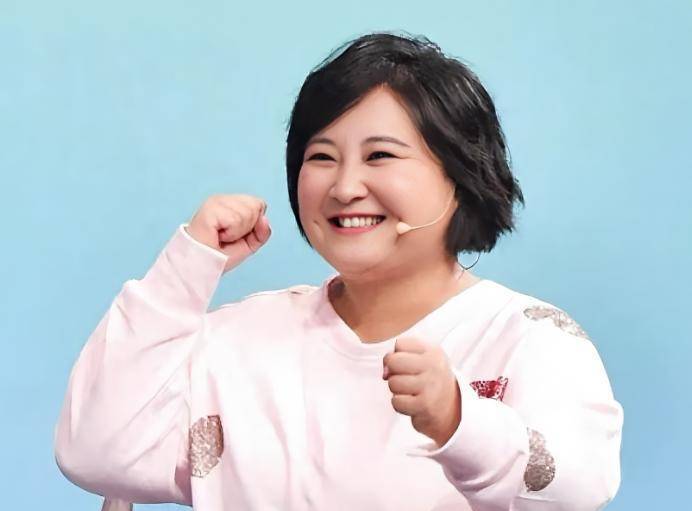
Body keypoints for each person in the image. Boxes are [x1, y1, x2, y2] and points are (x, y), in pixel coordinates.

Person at [54, 31, 623, 511]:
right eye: (322, 157)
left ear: (461, 175)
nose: (346, 187)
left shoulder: (529, 338)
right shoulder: (237, 340)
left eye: (380, 156)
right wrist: (183, 272)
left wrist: (458, 420)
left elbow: (576, 487)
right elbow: (95, 451)